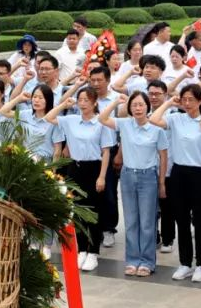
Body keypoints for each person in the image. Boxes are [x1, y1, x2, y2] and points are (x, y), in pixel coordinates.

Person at [149, 84, 201, 283]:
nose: (187, 103)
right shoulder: (176, 118)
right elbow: (154, 119)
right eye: (184, 99)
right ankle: (185, 263)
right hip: (179, 172)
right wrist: (170, 102)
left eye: (191, 99)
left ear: (200, 101)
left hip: (200, 173)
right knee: (181, 220)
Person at [99, 92, 168, 277]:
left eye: (141, 104)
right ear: (129, 108)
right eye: (134, 105)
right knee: (131, 222)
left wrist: (162, 183)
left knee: (147, 223)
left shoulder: (156, 130)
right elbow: (102, 118)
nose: (137, 108)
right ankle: (132, 260)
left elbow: (163, 157)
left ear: (147, 107)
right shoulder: (125, 124)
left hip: (148, 177)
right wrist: (116, 101)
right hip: (128, 176)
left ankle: (147, 261)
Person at [45, 89, 113, 271]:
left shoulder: (101, 123)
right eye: (80, 100)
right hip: (75, 168)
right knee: (77, 210)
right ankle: (82, 249)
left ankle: (93, 252)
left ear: (94, 102)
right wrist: (63, 105)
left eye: (86, 100)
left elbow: (106, 151)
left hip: (94, 168)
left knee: (94, 211)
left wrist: (102, 176)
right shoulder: (71, 120)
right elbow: (49, 117)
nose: (82, 103)